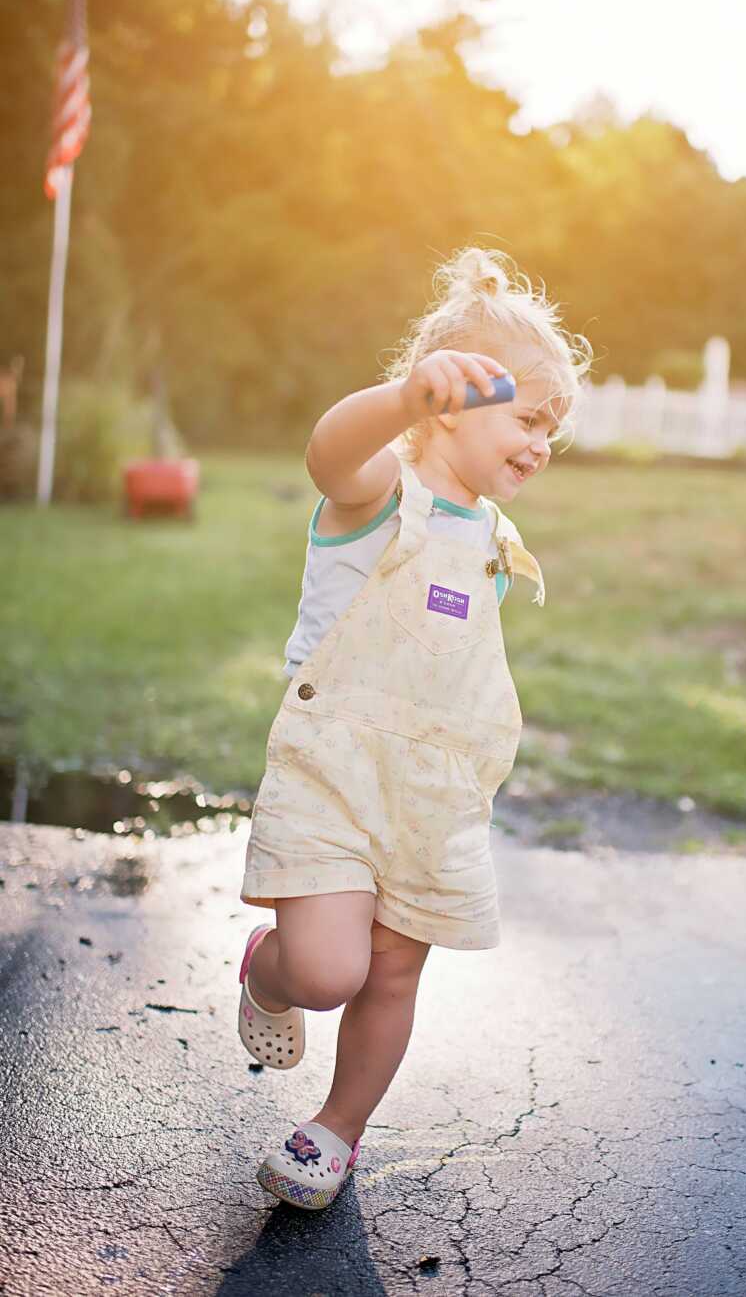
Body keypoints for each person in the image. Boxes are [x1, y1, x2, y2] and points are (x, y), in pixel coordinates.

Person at [237, 245, 592, 1210]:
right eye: (528, 418)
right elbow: (327, 454)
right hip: (337, 774)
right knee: (326, 969)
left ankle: (335, 1132)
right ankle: (268, 975)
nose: (540, 443)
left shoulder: (492, 538)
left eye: (551, 428)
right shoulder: (382, 496)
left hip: (432, 795)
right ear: (448, 408)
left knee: (391, 975)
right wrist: (401, 398)